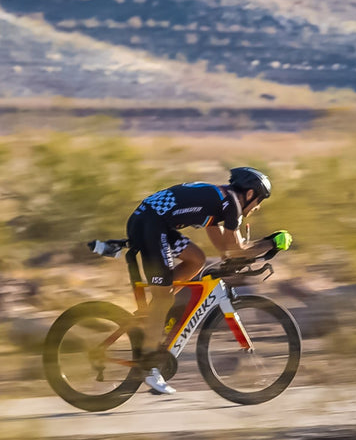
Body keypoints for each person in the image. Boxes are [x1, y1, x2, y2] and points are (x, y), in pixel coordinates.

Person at [125, 166, 291, 395]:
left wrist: (237, 259)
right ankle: (150, 367)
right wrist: (273, 242)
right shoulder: (231, 203)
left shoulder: (220, 205)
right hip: (150, 225)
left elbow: (227, 251)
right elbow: (237, 248)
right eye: (260, 200)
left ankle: (155, 312)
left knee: (196, 260)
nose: (258, 207)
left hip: (156, 223)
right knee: (163, 300)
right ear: (251, 194)